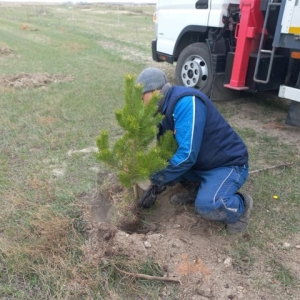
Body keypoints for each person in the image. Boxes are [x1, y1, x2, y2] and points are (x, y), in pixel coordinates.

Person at [136, 67, 253, 234]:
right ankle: (198, 188)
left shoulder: (186, 102)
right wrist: (156, 186)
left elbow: (187, 155)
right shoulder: (162, 111)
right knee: (174, 165)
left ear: (154, 91)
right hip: (202, 162)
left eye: (142, 98)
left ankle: (241, 206)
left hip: (226, 163)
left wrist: (157, 178)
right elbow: (166, 152)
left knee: (208, 205)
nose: (141, 103)